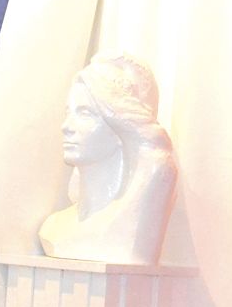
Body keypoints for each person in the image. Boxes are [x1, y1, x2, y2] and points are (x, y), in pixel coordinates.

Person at [38, 53, 177, 266]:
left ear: (121, 125)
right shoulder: (53, 227)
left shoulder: (130, 228)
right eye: (69, 112)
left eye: (85, 113)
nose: (66, 126)